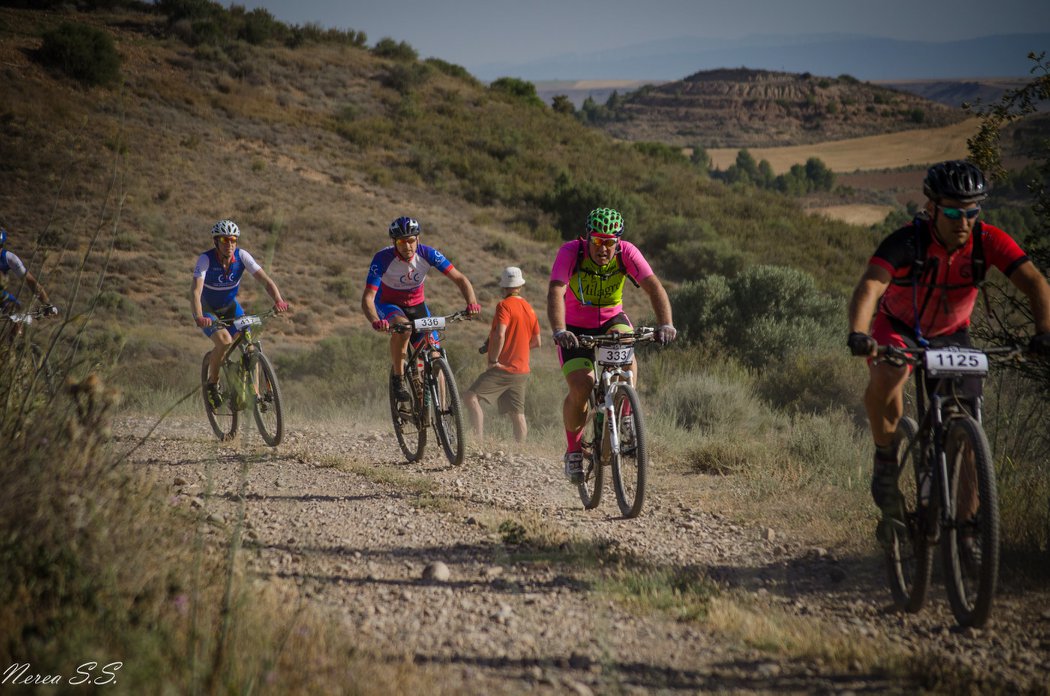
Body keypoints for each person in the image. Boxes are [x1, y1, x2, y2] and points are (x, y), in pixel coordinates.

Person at [847, 160, 1050, 544]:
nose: (964, 222)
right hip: (899, 326)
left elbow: (1035, 282)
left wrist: (1044, 332)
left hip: (951, 334)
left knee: (967, 423)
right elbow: (871, 286)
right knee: (889, 374)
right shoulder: (907, 242)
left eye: (972, 212)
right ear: (932, 208)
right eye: (954, 213)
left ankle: (969, 536)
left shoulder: (988, 241)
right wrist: (859, 333)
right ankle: (885, 459)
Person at [547, 207, 677, 483]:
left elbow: (654, 287)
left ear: (618, 242)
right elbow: (556, 290)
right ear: (587, 238)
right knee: (581, 386)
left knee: (627, 342)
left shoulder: (627, 253)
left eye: (609, 242)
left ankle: (626, 414)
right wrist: (559, 330)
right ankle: (573, 450)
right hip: (574, 327)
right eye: (597, 241)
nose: (603, 248)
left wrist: (666, 323)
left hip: (611, 319)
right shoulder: (571, 252)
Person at [361, 216, 481, 402]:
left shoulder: (428, 253)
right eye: (401, 242)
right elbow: (368, 297)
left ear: (418, 239)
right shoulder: (382, 259)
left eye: (411, 240)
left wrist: (471, 303)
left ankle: (442, 410)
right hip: (388, 303)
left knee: (435, 356)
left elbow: (460, 279)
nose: (407, 246)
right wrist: (376, 320)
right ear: (394, 242)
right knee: (404, 329)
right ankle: (399, 378)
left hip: (417, 305)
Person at [191, 219, 289, 408]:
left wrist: (278, 300)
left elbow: (266, 281)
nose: (229, 244)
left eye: (233, 240)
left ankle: (254, 393)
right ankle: (213, 384)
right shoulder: (206, 259)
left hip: (230, 306)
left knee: (250, 346)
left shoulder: (242, 256)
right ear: (216, 241)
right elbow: (196, 291)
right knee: (224, 341)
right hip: (209, 310)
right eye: (225, 240)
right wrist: (199, 316)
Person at [463, 266, 541, 443]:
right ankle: (520, 450)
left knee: (470, 397)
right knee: (517, 414)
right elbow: (537, 342)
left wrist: (493, 360)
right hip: (522, 370)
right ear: (520, 285)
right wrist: (519, 349)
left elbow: (500, 334)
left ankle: (478, 441)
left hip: (503, 368)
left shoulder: (504, 305)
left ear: (504, 286)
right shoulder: (530, 309)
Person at [0, 227, 58, 318]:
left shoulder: (9, 258)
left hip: (1, 296)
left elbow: (31, 281)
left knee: (19, 312)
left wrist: (47, 304)